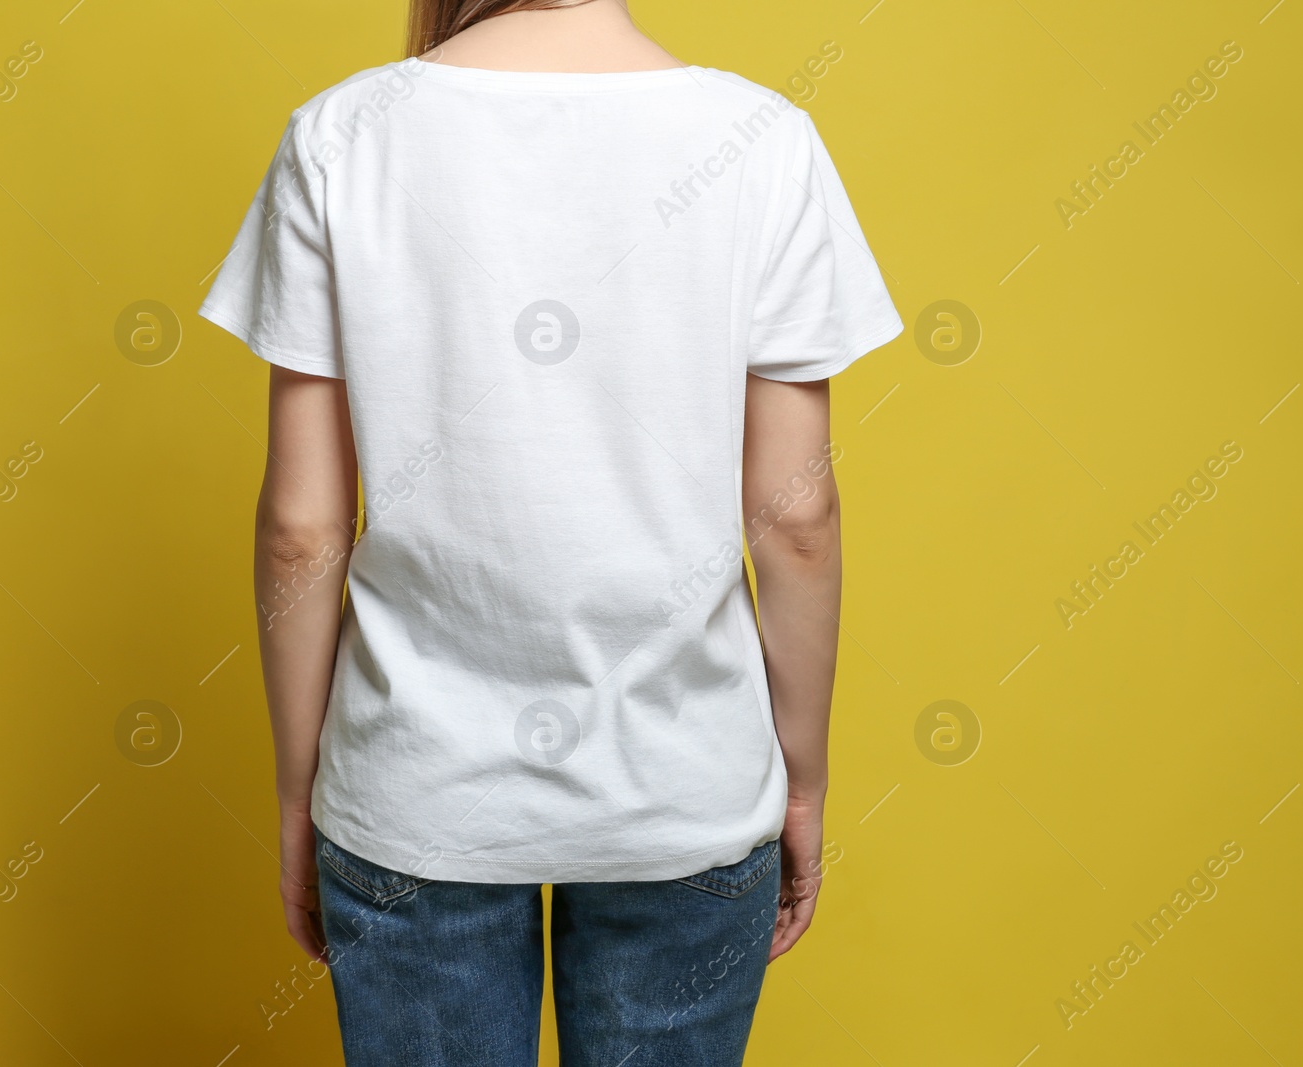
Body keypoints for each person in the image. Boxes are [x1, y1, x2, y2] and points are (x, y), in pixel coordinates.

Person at [198, 1, 901, 1062]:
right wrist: (801, 777)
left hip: (413, 785)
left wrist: (305, 792)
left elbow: (303, 527)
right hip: (686, 783)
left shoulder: (339, 135)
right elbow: (795, 515)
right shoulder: (763, 140)